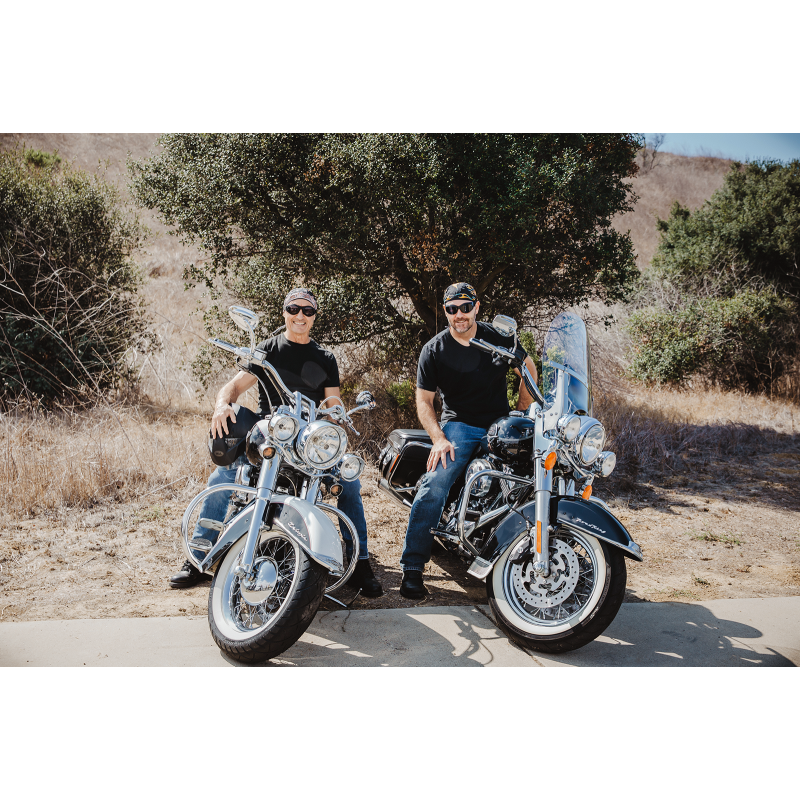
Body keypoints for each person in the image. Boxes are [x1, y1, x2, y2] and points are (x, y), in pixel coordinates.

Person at [169, 288, 383, 597]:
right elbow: (232, 387)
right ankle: (198, 557)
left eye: (307, 311)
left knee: (349, 485)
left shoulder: (325, 358)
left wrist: (336, 418)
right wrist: (221, 406)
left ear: (314, 317)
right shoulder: (268, 349)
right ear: (284, 312)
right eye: (294, 308)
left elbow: (333, 404)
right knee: (223, 477)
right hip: (270, 433)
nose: (300, 315)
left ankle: (360, 564)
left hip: (308, 440)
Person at [399, 283, 539, 599]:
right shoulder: (434, 350)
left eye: (465, 307)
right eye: (452, 309)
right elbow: (423, 401)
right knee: (435, 482)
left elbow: (527, 369)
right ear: (445, 311)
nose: (459, 315)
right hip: (459, 426)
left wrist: (521, 411)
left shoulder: (500, 338)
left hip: (500, 425)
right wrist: (438, 438)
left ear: (476, 307)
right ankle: (412, 568)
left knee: (527, 478)